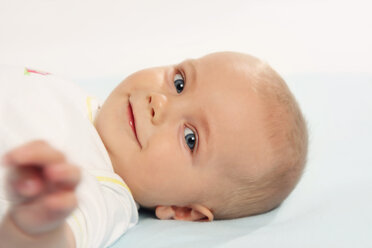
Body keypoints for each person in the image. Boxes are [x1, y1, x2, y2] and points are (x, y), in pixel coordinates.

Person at [0, 52, 308, 248]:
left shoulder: (103, 191)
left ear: (184, 211)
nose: (159, 103)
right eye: (179, 83)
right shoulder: (81, 99)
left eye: (190, 138)